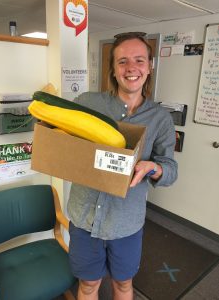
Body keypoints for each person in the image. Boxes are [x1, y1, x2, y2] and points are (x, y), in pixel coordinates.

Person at [67, 32, 178, 300]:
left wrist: (152, 167)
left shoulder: (160, 118)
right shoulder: (87, 103)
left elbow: (170, 169)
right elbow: (61, 137)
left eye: (139, 60)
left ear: (149, 67)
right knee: (88, 286)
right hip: (85, 218)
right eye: (123, 61)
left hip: (126, 223)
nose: (131, 68)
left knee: (123, 286)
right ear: (114, 70)